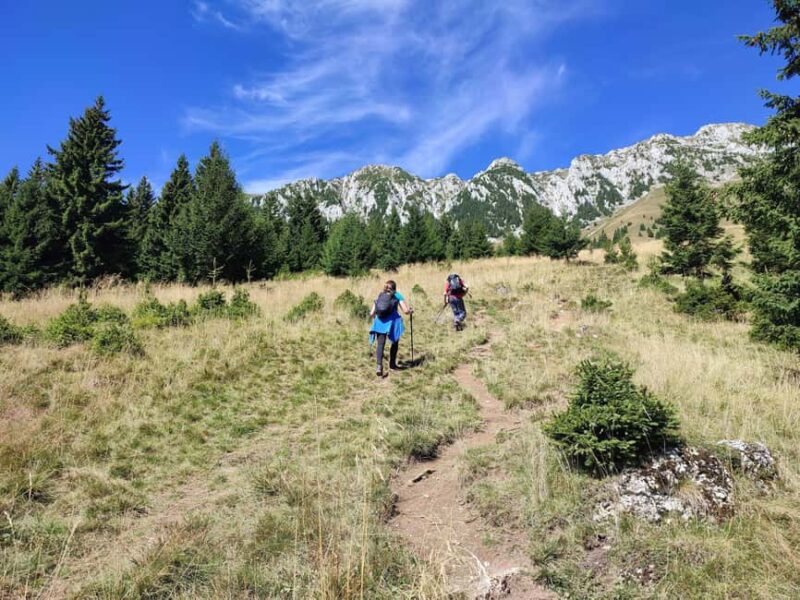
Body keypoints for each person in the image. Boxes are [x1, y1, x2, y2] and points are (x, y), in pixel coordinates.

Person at [369, 280, 413, 376]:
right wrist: (410, 311)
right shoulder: (397, 295)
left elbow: (371, 313)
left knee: (380, 344)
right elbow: (405, 311)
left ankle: (379, 366)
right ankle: (392, 365)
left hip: (380, 322)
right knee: (394, 343)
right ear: (394, 287)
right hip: (393, 323)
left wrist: (374, 318)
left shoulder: (381, 295)